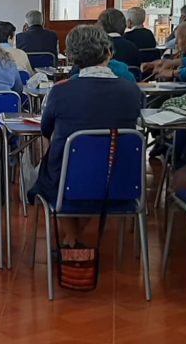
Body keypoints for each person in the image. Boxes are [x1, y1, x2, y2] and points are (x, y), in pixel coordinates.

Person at [27, 25, 143, 247]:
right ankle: (73, 237)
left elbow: (45, 129)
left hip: (66, 181)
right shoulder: (131, 91)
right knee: (94, 170)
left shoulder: (61, 91)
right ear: (109, 52)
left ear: (71, 56)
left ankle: (72, 238)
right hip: (119, 181)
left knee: (59, 162)